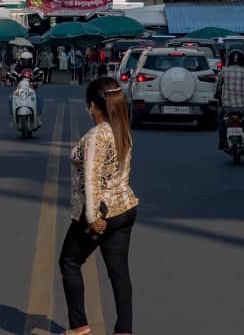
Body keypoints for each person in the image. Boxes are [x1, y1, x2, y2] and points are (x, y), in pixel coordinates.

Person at [59, 77, 138, 335]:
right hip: (124, 208)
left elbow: (92, 177)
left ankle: (79, 327)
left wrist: (92, 217)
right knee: (119, 273)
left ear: (92, 106)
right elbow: (124, 171)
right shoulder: (122, 127)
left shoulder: (96, 135)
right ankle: (124, 330)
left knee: (69, 261)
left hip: (101, 212)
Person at [215, 50, 244, 150]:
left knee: (220, 119)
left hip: (227, 107)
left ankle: (222, 141)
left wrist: (217, 95)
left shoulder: (223, 71)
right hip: (243, 107)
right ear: (242, 61)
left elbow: (218, 88)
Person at [9, 51, 43, 129]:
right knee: (10, 98)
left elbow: (39, 74)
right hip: (20, 87)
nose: (26, 62)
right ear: (21, 60)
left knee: (39, 98)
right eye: (24, 60)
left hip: (31, 88)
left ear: (31, 60)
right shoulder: (18, 66)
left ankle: (37, 117)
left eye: (28, 60)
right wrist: (11, 78)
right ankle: (12, 116)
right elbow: (14, 74)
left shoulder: (34, 67)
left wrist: (36, 81)